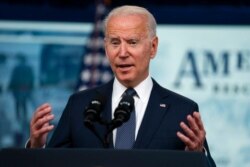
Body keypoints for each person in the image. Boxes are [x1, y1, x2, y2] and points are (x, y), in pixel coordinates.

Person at [28, 5, 216, 167]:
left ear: (153, 47)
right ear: (105, 47)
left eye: (132, 42)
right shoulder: (80, 105)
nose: (122, 52)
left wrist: (197, 157)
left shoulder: (181, 110)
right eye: (115, 42)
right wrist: (37, 149)